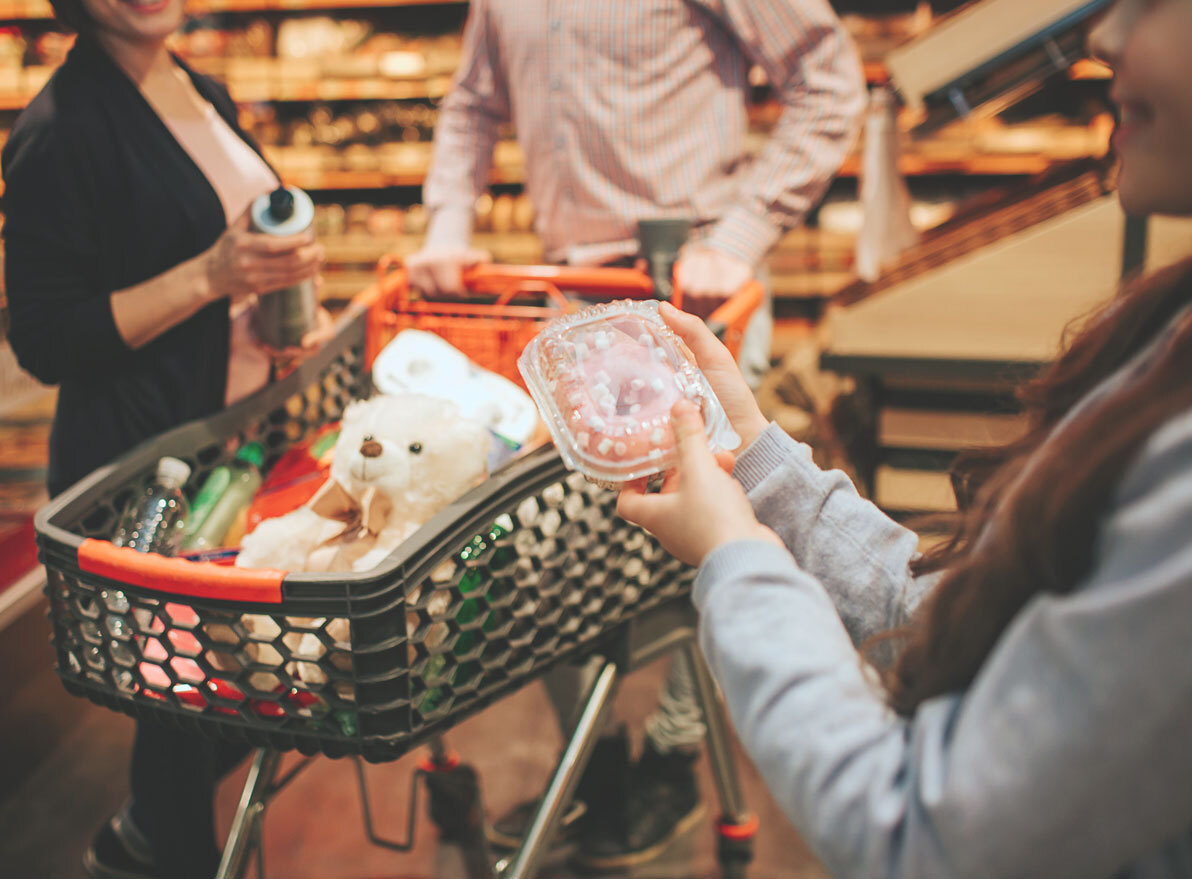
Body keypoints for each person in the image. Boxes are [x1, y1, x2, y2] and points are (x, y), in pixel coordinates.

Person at [617, 0, 1192, 874]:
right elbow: (968, 623)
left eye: (1151, 5)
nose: (1101, 38)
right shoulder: (1169, 330)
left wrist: (736, 554)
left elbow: (923, 834)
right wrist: (763, 461)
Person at [408, 0, 865, 866]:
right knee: (554, 542)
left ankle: (676, 750)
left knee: (698, 543)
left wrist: (742, 232)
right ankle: (603, 759)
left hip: (687, 293)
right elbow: (472, 100)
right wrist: (447, 216)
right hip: (566, 300)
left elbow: (828, 76)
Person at [2, 0, 327, 875]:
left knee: (209, 696)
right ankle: (162, 845)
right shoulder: (59, 131)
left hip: (225, 444)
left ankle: (147, 836)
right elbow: (45, 338)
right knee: (188, 703)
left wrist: (274, 303)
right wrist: (212, 275)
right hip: (146, 468)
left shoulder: (201, 87)